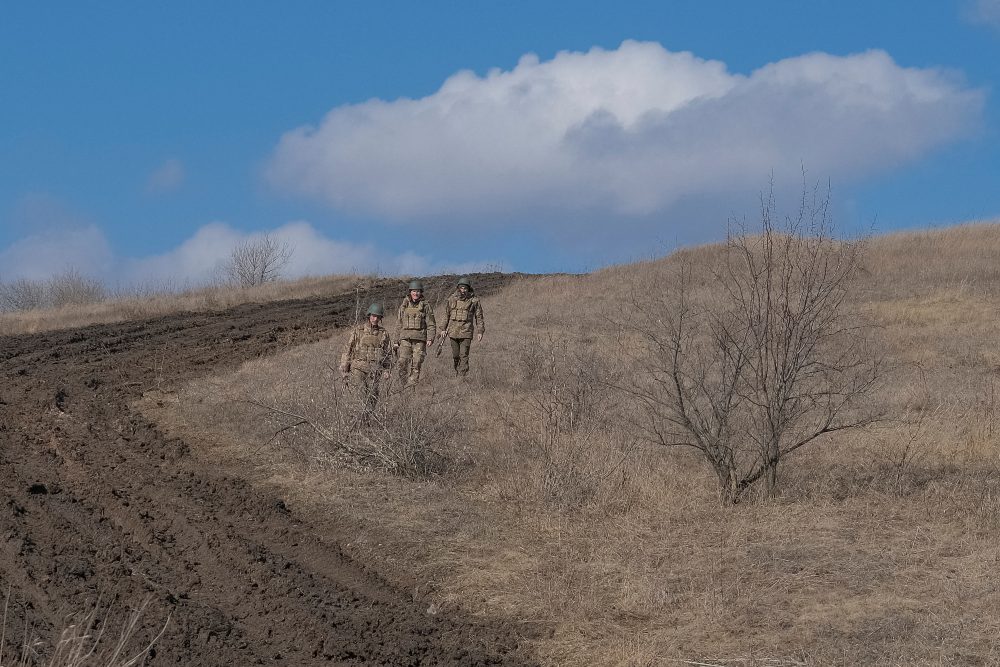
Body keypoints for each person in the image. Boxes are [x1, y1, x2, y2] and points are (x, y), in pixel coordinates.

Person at [338, 303, 393, 417]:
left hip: (375, 370)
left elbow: (387, 353)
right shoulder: (358, 330)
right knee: (361, 394)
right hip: (358, 368)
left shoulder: (384, 334)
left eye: (378, 317)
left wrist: (387, 370)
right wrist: (344, 369)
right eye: (373, 316)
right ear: (369, 316)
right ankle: (360, 420)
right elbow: (348, 349)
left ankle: (367, 420)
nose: (375, 319)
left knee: (373, 397)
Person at [439, 276, 485, 377]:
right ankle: (457, 370)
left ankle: (462, 376)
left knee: (463, 355)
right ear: (458, 288)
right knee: (456, 355)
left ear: (468, 289)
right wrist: (443, 329)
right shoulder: (451, 299)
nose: (463, 290)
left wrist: (480, 331)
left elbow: (479, 316)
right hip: (453, 332)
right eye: (461, 288)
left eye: (465, 288)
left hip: (466, 332)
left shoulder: (474, 301)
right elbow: (446, 314)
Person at [396, 280, 436, 387]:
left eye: (418, 291)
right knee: (402, 363)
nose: (416, 293)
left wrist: (431, 338)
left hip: (420, 340)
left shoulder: (426, 305)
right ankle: (402, 385)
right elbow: (399, 323)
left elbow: (431, 323)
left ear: (421, 292)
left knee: (416, 363)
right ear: (410, 292)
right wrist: (396, 341)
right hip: (405, 339)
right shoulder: (404, 305)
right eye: (414, 291)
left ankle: (411, 387)